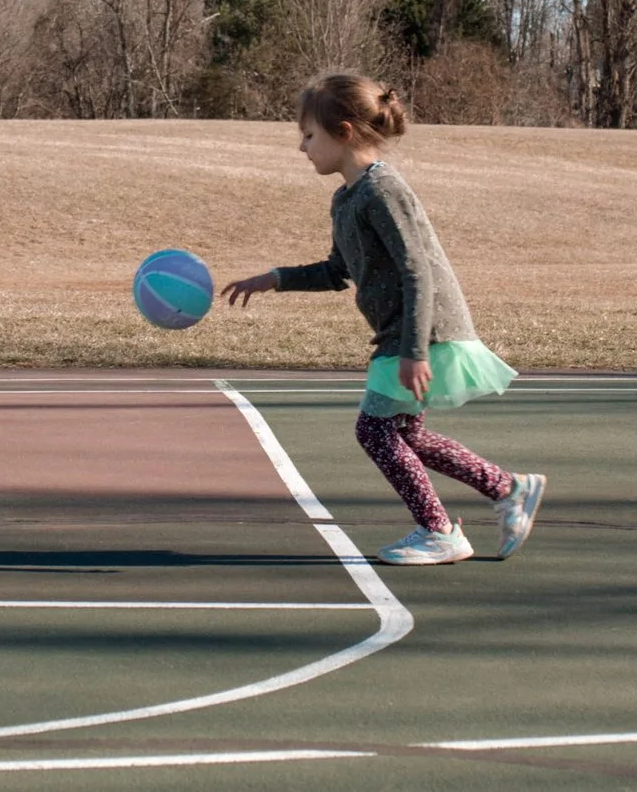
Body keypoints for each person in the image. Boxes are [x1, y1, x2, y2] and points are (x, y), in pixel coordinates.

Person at [222, 72, 546, 565]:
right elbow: (337, 271)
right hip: (402, 332)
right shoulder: (346, 198)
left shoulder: (383, 190)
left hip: (422, 329)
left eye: (309, 135)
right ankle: (507, 489)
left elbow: (417, 269)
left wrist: (415, 349)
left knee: (374, 430)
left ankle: (439, 530)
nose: (302, 147)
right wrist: (273, 278)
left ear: (344, 132)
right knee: (404, 433)